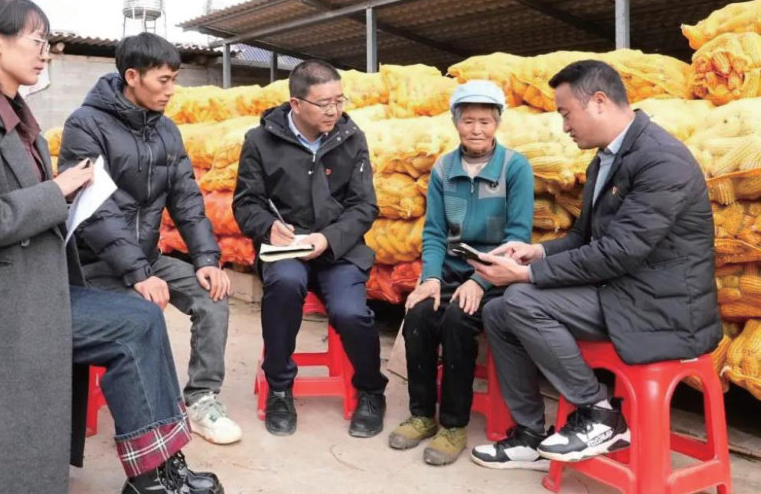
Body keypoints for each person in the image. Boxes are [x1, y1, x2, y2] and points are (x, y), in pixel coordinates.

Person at [0, 0, 222, 494]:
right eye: (37, 40)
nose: (46, 53)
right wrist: (57, 192)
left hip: (30, 289)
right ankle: (153, 476)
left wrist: (71, 198)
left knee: (141, 319)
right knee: (134, 324)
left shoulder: (20, 122)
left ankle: (159, 468)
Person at [467, 60, 721, 471]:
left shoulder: (661, 160)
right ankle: (530, 435)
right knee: (498, 310)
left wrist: (527, 275)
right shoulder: (605, 159)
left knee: (521, 300)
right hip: (622, 291)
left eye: (566, 113)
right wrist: (536, 253)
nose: (564, 126)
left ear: (599, 101)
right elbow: (585, 238)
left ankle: (601, 415)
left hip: (663, 308)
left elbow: (620, 251)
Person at [58, 32, 241, 445]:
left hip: (147, 256)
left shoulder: (167, 131)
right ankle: (147, 418)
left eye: (175, 79)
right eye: (164, 80)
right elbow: (97, 211)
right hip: (95, 264)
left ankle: (202, 399)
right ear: (132, 76)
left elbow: (187, 200)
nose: (172, 90)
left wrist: (206, 259)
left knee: (213, 296)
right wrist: (139, 274)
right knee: (142, 316)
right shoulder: (85, 125)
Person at [232, 59, 388, 438]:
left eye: (339, 100)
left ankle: (370, 389)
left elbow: (364, 206)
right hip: (287, 248)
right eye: (324, 103)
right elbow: (246, 203)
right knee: (284, 286)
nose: (334, 111)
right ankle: (279, 388)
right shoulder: (260, 141)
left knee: (351, 312)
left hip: (339, 248)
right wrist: (268, 227)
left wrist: (329, 238)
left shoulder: (351, 138)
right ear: (297, 104)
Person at [388, 80, 533, 465]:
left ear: (498, 123)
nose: (477, 129)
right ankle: (422, 415)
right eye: (469, 121)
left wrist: (481, 280)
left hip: (497, 277)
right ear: (456, 123)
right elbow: (435, 232)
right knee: (418, 314)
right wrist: (431, 278)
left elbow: (518, 237)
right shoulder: (443, 168)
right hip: (450, 273)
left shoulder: (514, 167)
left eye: (486, 121)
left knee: (457, 319)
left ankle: (453, 425)